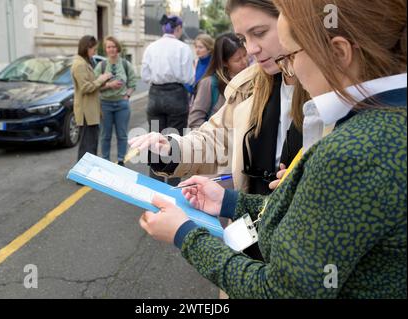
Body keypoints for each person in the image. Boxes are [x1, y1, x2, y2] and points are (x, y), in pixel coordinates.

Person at [139, 0, 407, 298]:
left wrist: (185, 234)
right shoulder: (248, 86)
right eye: (243, 39)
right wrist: (173, 155)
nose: (251, 49)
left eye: (261, 33)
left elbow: (285, 290)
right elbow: (215, 140)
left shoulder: (351, 146)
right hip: (250, 242)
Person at [141, 14, 194, 186]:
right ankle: (173, 186)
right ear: (178, 28)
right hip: (176, 95)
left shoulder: (151, 47)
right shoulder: (183, 48)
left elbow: (145, 76)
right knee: (175, 142)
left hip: (155, 95)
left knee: (155, 139)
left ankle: (155, 185)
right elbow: (188, 78)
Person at [188, 32, 248, 129]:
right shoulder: (209, 83)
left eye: (245, 55)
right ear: (224, 62)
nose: (244, 62)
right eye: (237, 60)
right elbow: (195, 120)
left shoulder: (251, 78)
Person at [94, 36, 136, 166]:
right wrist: (109, 85)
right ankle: (105, 161)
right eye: (108, 47)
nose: (111, 49)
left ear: (117, 48)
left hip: (121, 105)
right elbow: (95, 85)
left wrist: (127, 96)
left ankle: (121, 160)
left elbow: (132, 83)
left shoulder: (125, 64)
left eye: (113, 46)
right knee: (105, 135)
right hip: (105, 104)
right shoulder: (101, 65)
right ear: (105, 49)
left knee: (122, 134)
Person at [71, 35, 111, 162]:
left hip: (90, 111)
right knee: (87, 146)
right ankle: (82, 177)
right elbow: (85, 87)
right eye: (93, 49)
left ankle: (87, 174)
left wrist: (104, 81)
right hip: (86, 113)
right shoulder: (79, 64)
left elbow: (92, 85)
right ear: (86, 48)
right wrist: (101, 79)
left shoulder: (85, 62)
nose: (94, 52)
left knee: (91, 145)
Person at [185, 34, 215, 100]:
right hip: (195, 99)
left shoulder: (213, 65)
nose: (197, 50)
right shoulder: (195, 62)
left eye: (200, 47)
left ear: (209, 49)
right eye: (196, 47)